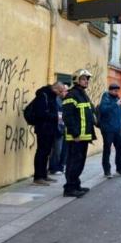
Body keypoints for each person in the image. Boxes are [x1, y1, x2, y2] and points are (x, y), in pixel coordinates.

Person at [62, 69, 97, 198]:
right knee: (73, 162)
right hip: (76, 137)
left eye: (87, 79)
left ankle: (76, 185)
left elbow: (88, 113)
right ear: (76, 80)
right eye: (83, 79)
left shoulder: (82, 94)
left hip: (84, 136)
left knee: (80, 162)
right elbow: (68, 117)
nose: (86, 81)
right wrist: (75, 134)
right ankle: (69, 188)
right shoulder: (71, 95)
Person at [31, 82, 66, 186]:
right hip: (43, 129)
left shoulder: (52, 96)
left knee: (46, 153)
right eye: (60, 91)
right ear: (54, 88)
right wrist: (56, 117)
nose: (60, 93)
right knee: (41, 153)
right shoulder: (43, 95)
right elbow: (41, 114)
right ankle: (38, 177)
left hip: (50, 129)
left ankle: (44, 175)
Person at [98, 83, 121, 177]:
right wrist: (115, 104)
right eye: (114, 90)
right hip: (108, 129)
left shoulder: (118, 98)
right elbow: (103, 110)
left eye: (117, 90)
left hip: (118, 129)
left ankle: (120, 169)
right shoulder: (106, 98)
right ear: (110, 90)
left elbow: (120, 113)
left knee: (120, 149)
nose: (116, 92)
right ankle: (107, 171)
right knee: (107, 150)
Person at [48, 83, 68, 175]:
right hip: (58, 128)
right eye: (64, 91)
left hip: (61, 128)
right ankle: (54, 168)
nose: (66, 93)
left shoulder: (62, 101)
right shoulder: (58, 100)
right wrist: (60, 128)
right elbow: (59, 116)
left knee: (60, 149)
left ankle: (59, 167)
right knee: (57, 149)